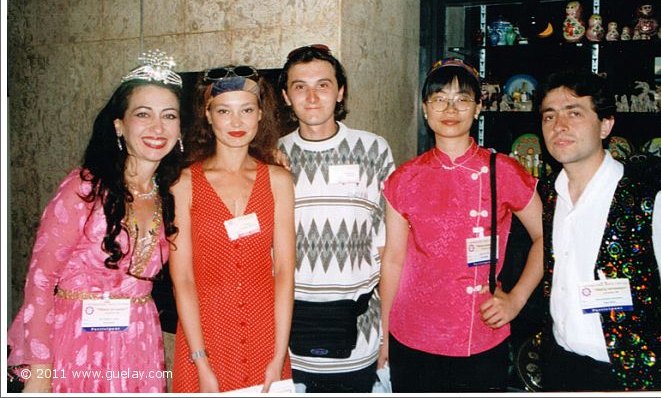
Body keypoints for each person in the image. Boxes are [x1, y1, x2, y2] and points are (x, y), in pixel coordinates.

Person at [7, 50, 185, 392]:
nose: (157, 127)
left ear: (180, 128)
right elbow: (40, 281)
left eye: (169, 115)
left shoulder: (170, 194)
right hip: (76, 341)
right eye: (143, 114)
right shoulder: (85, 187)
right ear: (119, 124)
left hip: (139, 341)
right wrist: (40, 370)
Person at [379, 58, 544, 392]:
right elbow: (394, 259)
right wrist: (383, 335)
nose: (450, 108)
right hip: (411, 333)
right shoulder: (404, 178)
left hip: (480, 331)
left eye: (462, 99)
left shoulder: (504, 170)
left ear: (478, 108)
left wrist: (515, 299)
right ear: (425, 109)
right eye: (439, 99)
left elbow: (546, 237)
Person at [536, 69, 661, 391]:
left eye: (574, 113)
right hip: (560, 367)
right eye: (549, 116)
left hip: (631, 378)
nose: (559, 126)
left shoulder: (651, 203)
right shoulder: (551, 196)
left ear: (605, 125)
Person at [170, 65, 296, 392]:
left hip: (265, 336)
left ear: (259, 115)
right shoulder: (184, 184)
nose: (236, 122)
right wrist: (200, 360)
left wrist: (278, 353)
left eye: (247, 110)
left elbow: (284, 270)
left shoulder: (278, 180)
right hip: (206, 337)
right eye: (224, 111)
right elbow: (182, 277)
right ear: (208, 116)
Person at [277, 44, 395, 392]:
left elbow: (391, 249)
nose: (312, 96)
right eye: (300, 86)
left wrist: (388, 332)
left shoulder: (374, 149)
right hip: (287, 336)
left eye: (323, 85)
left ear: (340, 91)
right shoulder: (272, 155)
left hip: (360, 332)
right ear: (286, 96)